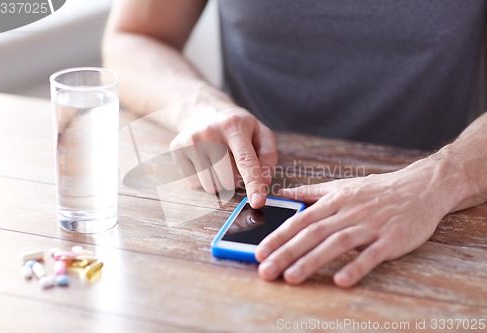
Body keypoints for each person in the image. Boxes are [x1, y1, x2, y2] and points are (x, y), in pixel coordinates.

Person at [102, 0, 487, 287]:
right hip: (245, 187)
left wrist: (439, 181)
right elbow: (134, 36)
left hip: (441, 204)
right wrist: (199, 105)